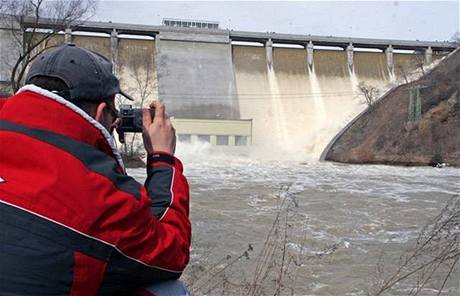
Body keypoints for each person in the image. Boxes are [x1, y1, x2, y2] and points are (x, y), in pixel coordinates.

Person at [0, 44, 191, 295]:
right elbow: (171, 252)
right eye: (113, 113)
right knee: (169, 290)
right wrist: (163, 158)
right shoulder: (100, 197)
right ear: (101, 112)